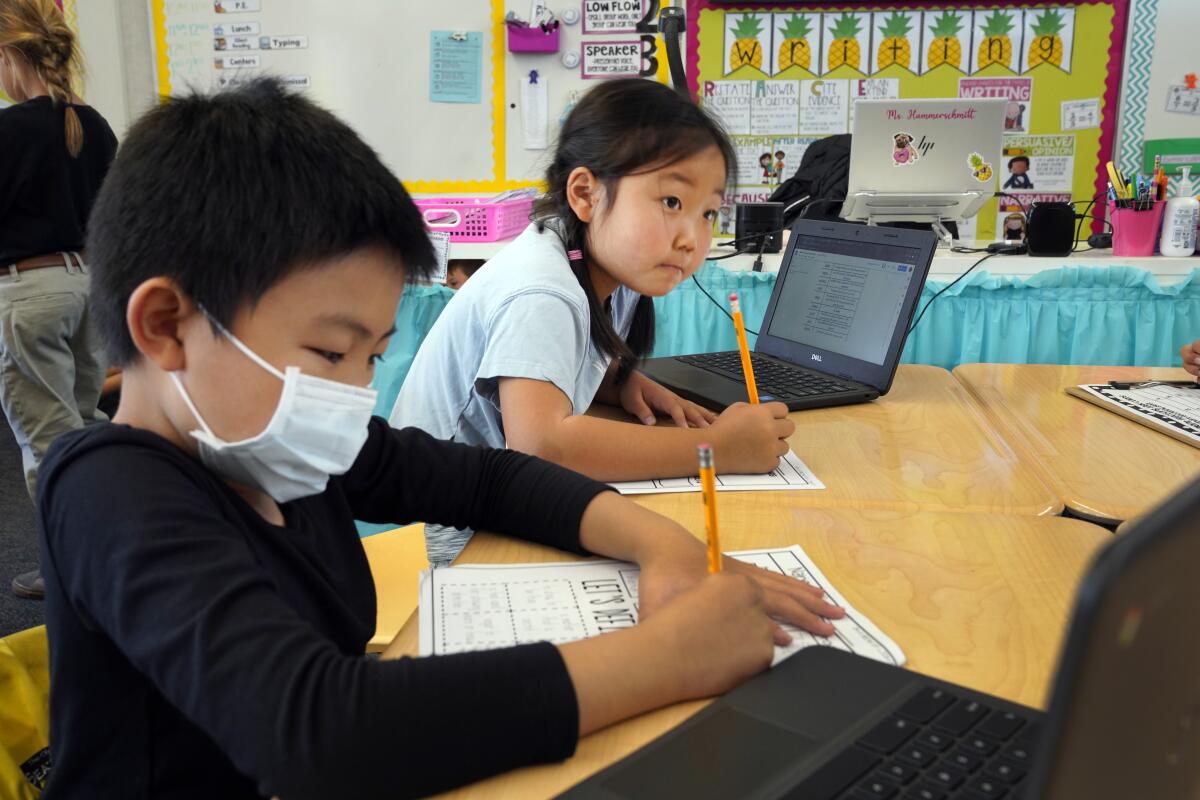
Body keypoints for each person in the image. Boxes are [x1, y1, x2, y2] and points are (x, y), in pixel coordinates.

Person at [38, 78, 843, 799]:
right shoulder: (109, 489)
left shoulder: (278, 446)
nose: (356, 391)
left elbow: (491, 480)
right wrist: (667, 656)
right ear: (165, 326)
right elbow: (317, 732)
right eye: (329, 352)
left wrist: (662, 549)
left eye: (373, 357)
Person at [390, 79, 794, 564]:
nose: (693, 237)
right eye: (672, 203)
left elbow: (544, 368)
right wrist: (716, 448)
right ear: (585, 193)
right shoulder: (544, 289)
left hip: (501, 506)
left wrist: (618, 381)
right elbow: (542, 446)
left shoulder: (599, 263)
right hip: (451, 539)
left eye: (708, 212)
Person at [0, 0, 117, 599]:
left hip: (31, 291)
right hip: (86, 287)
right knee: (87, 424)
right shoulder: (93, 123)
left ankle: (71, 566)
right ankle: (110, 544)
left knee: (46, 436)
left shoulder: (8, 129)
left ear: (10, 57)